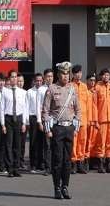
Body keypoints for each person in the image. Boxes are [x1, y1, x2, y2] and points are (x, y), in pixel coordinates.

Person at [41, 62, 81, 200]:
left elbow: (78, 110)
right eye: (63, 73)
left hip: (69, 128)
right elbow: (45, 111)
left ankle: (65, 186)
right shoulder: (51, 89)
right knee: (57, 160)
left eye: (67, 73)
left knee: (67, 160)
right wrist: (48, 129)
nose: (66, 76)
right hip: (57, 129)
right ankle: (56, 187)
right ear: (58, 74)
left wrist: (76, 127)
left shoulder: (72, 89)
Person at [0, 70, 28, 178]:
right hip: (8, 119)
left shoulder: (23, 92)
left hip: (19, 119)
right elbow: (2, 108)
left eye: (15, 77)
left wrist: (24, 123)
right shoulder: (5, 91)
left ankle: (16, 168)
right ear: (9, 79)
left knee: (18, 145)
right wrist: (2, 124)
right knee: (9, 145)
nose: (14, 79)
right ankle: (9, 169)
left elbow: (25, 108)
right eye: (12, 77)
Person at [94, 68, 110, 173]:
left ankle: (109, 164)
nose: (106, 77)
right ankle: (101, 165)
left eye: (107, 75)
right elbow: (94, 105)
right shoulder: (97, 87)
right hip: (102, 120)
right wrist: (95, 120)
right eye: (104, 75)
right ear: (101, 76)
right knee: (101, 142)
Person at [71, 65, 92, 174]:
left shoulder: (84, 87)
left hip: (83, 119)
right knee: (74, 141)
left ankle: (81, 163)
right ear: (73, 74)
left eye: (80, 73)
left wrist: (89, 119)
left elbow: (88, 104)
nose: (79, 75)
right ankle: (73, 163)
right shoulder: (70, 86)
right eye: (76, 73)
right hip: (73, 119)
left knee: (82, 141)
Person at [26, 73, 43, 173]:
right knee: (33, 141)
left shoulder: (45, 90)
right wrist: (27, 121)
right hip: (32, 118)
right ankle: (33, 164)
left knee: (42, 142)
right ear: (34, 81)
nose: (39, 82)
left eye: (40, 80)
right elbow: (27, 106)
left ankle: (41, 163)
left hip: (42, 118)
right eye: (37, 80)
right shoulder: (29, 92)